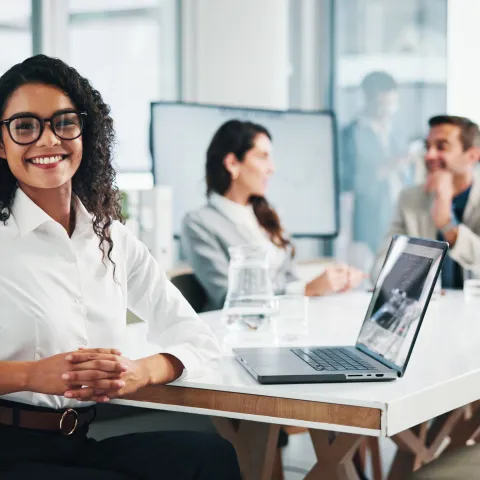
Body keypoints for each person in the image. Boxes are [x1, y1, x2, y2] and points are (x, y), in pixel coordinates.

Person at [0, 55, 241, 479]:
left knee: (210, 455)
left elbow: (198, 340)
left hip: (74, 442)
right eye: (25, 127)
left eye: (64, 122)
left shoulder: (110, 237)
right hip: (7, 450)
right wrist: (33, 374)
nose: (47, 139)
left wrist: (140, 372)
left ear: (84, 133)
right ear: (1, 145)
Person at [181, 119, 365, 312]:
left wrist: (328, 286)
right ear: (233, 163)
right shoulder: (199, 223)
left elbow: (290, 279)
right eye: (263, 157)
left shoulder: (266, 216)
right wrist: (306, 289)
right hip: (239, 330)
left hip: (281, 324)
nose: (272, 168)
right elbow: (227, 296)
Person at [372, 115, 480, 288]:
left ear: (472, 155)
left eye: (441, 147)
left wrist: (448, 226)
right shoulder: (409, 199)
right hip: (430, 310)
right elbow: (380, 269)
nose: (429, 155)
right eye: (427, 146)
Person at [341, 71, 414, 256]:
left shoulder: (396, 131)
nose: (389, 110)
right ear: (369, 100)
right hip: (368, 222)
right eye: (384, 104)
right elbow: (349, 181)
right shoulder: (352, 133)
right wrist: (388, 165)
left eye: (392, 104)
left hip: (399, 214)